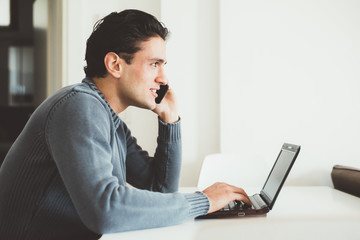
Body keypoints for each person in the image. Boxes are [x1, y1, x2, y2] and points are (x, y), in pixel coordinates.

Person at [0, 9, 251, 240]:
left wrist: (169, 119)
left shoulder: (108, 118)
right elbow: (105, 210)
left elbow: (160, 191)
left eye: (163, 66)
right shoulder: (78, 106)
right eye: (154, 64)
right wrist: (204, 201)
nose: (163, 79)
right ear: (115, 65)